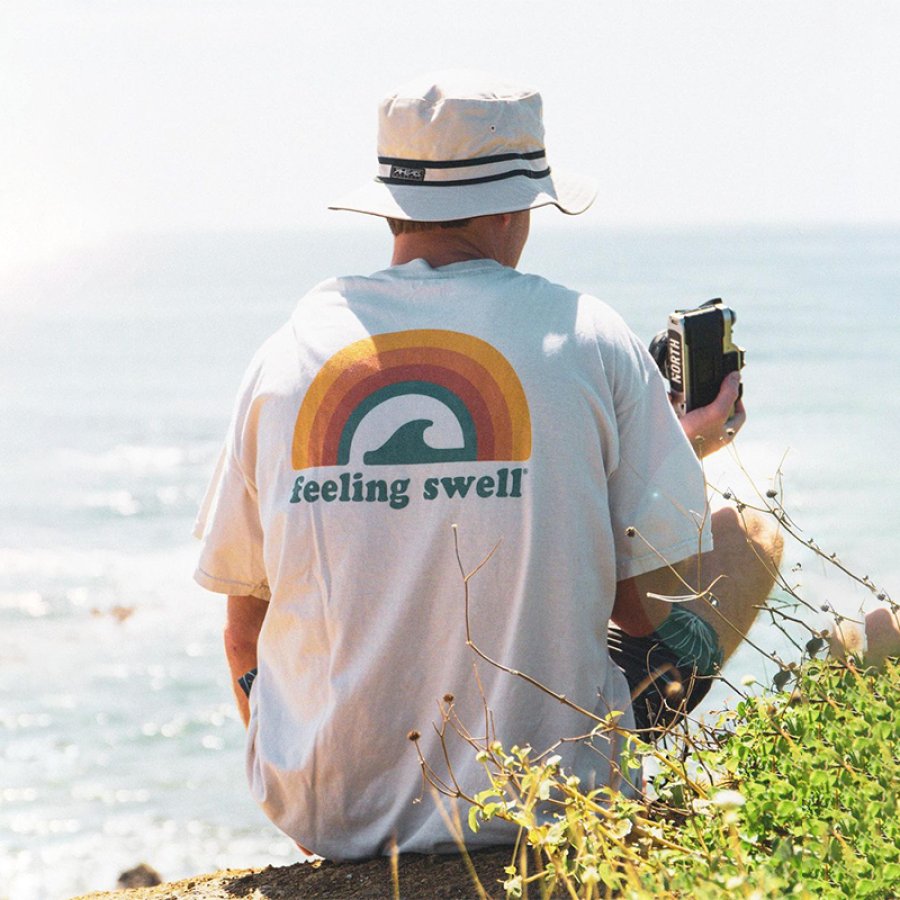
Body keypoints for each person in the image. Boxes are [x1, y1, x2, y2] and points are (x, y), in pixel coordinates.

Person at [193, 71, 782, 861]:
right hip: (540, 798)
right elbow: (634, 608)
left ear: (393, 205)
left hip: (324, 810)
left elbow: (243, 630)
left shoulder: (286, 354)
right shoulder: (589, 337)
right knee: (751, 532)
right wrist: (680, 453)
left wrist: (318, 785)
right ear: (513, 208)